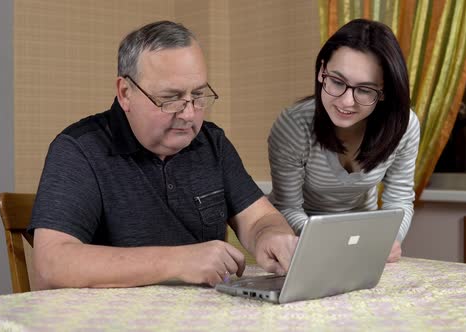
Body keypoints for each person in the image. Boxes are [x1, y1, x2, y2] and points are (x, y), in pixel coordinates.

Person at [28, 21, 298, 290]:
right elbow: (52, 264)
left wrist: (270, 236)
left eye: (199, 95)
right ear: (125, 93)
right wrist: (179, 261)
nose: (189, 114)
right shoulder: (79, 149)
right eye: (171, 98)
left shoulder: (211, 142)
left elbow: (260, 218)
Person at [267, 19, 420, 263]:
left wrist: (389, 239)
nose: (347, 102)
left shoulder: (404, 126)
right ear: (321, 71)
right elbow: (288, 207)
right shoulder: (294, 124)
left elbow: (399, 198)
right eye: (337, 82)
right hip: (301, 239)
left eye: (365, 90)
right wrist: (334, 244)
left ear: (385, 92)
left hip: (363, 237)